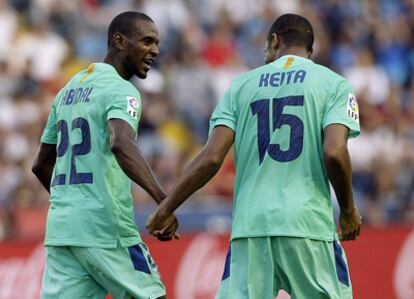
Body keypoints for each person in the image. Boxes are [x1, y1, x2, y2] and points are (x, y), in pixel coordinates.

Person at [147, 13, 362, 299]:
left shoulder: (240, 86)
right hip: (307, 225)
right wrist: (348, 211)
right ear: (309, 51)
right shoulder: (333, 84)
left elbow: (211, 157)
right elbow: (335, 152)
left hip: (251, 229)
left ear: (275, 41)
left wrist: (167, 207)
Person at [32, 11, 178, 299]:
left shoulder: (67, 91)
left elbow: (40, 165)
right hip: (106, 228)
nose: (155, 50)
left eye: (157, 43)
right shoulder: (121, 90)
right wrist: (165, 202)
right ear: (120, 41)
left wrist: (74, 202)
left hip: (63, 231)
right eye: (147, 41)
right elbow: (121, 143)